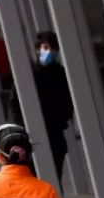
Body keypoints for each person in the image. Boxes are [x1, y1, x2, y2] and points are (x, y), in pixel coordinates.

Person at [8, 31, 74, 182]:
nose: (49, 52)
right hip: (30, 135)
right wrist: (22, 126)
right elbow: (14, 103)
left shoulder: (60, 73)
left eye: (53, 49)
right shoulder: (28, 73)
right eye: (46, 48)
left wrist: (61, 120)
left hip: (54, 134)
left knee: (53, 180)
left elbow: (67, 102)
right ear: (38, 49)